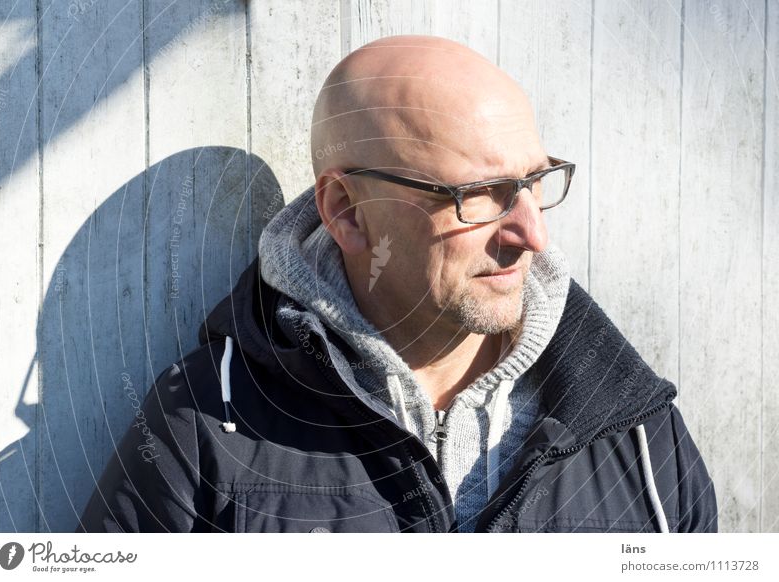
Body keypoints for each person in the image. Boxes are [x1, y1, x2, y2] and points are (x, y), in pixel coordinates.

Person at [76, 35, 717, 533]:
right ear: (348, 214)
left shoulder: (633, 430)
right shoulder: (208, 429)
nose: (533, 235)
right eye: (478, 197)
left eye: (534, 183)